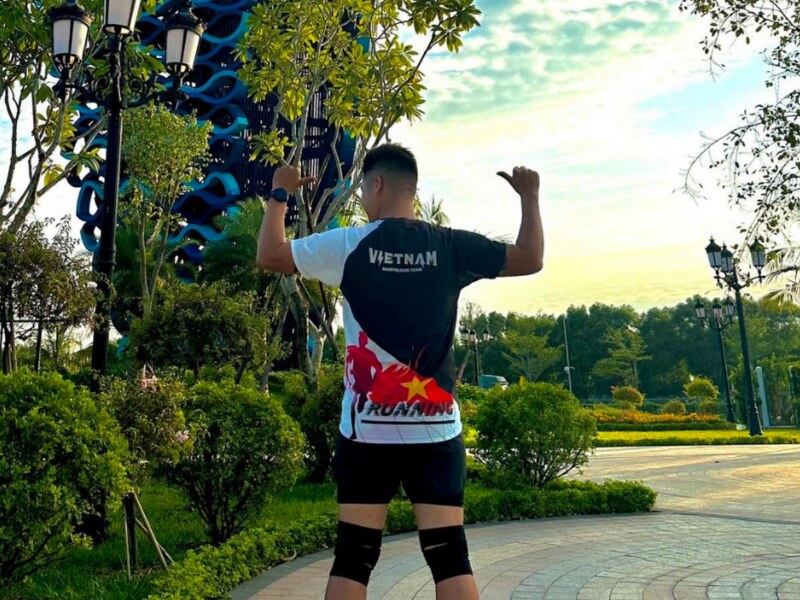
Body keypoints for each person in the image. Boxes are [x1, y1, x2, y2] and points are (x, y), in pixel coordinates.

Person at [256, 144, 543, 600]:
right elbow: (530, 258)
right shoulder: (451, 246)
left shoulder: (349, 244)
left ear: (376, 184)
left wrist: (280, 192)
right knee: (449, 556)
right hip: (436, 428)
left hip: (367, 430)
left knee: (354, 555)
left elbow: (270, 255)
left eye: (362, 190)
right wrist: (529, 196)